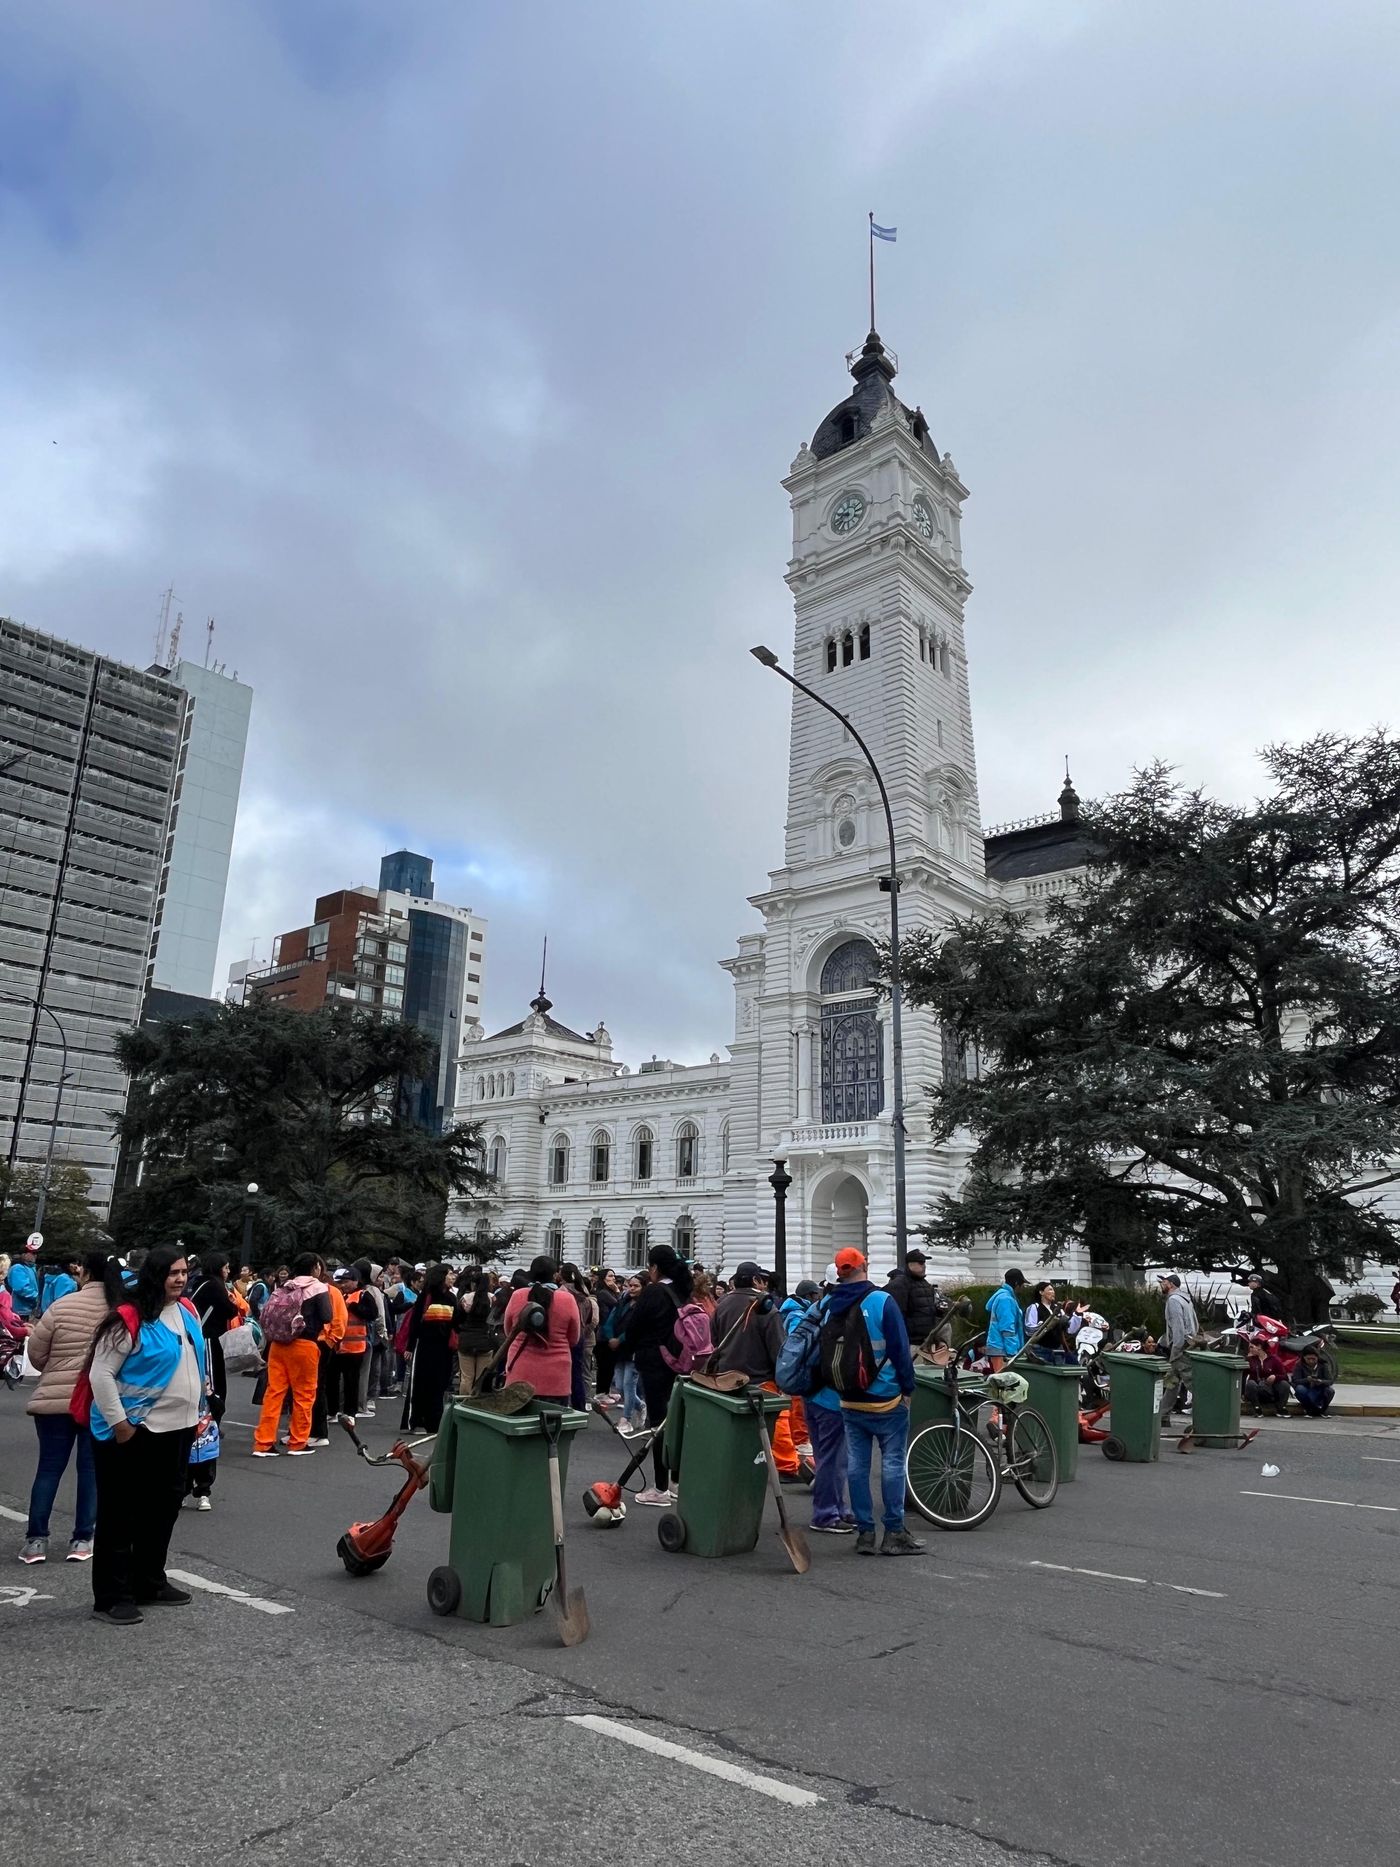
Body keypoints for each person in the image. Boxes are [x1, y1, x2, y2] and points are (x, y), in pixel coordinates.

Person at [88, 1244, 207, 1624]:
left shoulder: (186, 1311)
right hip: (136, 1430)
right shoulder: (128, 1317)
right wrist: (121, 1426)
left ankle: (149, 1581)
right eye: (172, 1273)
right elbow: (100, 1374)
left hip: (179, 1429)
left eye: (184, 1272)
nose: (180, 1279)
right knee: (121, 1515)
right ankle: (112, 1596)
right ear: (154, 1275)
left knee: (163, 1510)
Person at [19, 1250, 125, 1564]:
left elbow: (36, 1355)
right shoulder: (117, 1310)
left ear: (84, 1273)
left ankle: (35, 1540)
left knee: (49, 1469)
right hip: (97, 1401)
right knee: (90, 1471)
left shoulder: (62, 1305)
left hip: (54, 1401)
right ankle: (82, 1539)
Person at [824, 1248, 922, 1555]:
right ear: (864, 1266)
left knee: (857, 1465)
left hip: (849, 1399)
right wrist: (908, 1388)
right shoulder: (882, 1301)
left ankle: (865, 1533)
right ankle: (894, 1531)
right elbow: (900, 1351)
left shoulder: (829, 1305)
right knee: (892, 1463)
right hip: (885, 1398)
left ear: (840, 1272)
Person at [623, 1244, 692, 1506]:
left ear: (654, 1268)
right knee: (674, 1423)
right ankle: (676, 1481)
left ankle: (660, 1487)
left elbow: (634, 1327)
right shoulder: (682, 1291)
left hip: (654, 1362)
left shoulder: (654, 1292)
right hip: (680, 1363)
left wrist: (630, 1347)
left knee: (658, 1424)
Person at [783, 1280, 853, 1534]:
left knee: (829, 1456)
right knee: (833, 1458)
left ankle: (836, 1508)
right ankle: (825, 1514)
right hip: (829, 1396)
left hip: (810, 1393)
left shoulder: (815, 1311)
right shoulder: (839, 1313)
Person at [252, 1254, 332, 1458]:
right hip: (305, 1344)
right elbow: (326, 1316)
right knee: (304, 1394)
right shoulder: (318, 1287)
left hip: (278, 1345)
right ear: (316, 1268)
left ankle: (263, 1443)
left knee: (274, 1393)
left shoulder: (285, 1286)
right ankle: (297, 1442)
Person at [185, 1250, 238, 1509]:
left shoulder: (197, 1283)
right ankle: (210, 1430)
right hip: (207, 1341)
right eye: (227, 1267)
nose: (229, 1271)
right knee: (212, 1394)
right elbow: (231, 1310)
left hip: (195, 1340)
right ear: (219, 1268)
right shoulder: (215, 1286)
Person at [502, 1256, 579, 1405]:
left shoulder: (518, 1296)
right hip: (557, 1374)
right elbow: (574, 1338)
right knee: (553, 1424)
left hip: (520, 1371)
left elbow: (508, 1331)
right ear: (556, 1275)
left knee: (520, 1424)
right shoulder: (567, 1299)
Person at [403, 1263, 457, 1432]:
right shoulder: (426, 1296)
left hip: (444, 1348)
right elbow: (415, 1323)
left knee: (439, 1384)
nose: (453, 1276)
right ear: (441, 1276)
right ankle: (415, 1421)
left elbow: (455, 1324)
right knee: (421, 1383)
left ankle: (434, 1422)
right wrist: (410, 1347)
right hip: (425, 1346)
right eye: (449, 1273)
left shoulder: (451, 1298)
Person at [325, 1261, 376, 1423]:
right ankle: (332, 1411)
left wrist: (355, 1308)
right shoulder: (337, 1295)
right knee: (331, 1380)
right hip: (336, 1345)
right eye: (340, 1282)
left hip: (355, 1347)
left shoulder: (363, 1295)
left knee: (351, 1381)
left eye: (346, 1282)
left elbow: (372, 1314)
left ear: (355, 1281)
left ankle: (350, 1413)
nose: (343, 1285)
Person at [884, 1249, 949, 1351]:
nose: (924, 1266)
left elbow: (928, 1313)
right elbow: (897, 1317)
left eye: (924, 1262)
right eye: (920, 1262)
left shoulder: (925, 1284)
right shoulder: (900, 1285)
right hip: (911, 1344)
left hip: (928, 1343)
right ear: (910, 1264)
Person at [1157, 1274, 1199, 1423]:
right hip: (1189, 1344)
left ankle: (1209, 1413)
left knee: (1192, 1382)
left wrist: (1176, 1349)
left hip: (1181, 1347)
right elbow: (1195, 1322)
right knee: (1171, 1381)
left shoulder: (1174, 1300)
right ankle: (1162, 1416)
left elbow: (1178, 1328)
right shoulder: (1185, 1299)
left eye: (1164, 1282)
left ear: (1172, 1284)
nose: (1162, 1284)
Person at [607, 1273, 645, 1433]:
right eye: (630, 1285)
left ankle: (626, 1419)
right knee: (620, 1386)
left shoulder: (644, 1306)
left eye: (636, 1286)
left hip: (633, 1349)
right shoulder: (623, 1302)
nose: (632, 1289)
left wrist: (619, 1339)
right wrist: (610, 1337)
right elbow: (610, 1320)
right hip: (619, 1350)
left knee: (629, 1384)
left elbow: (637, 1328)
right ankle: (641, 1405)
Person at [454, 1265, 498, 1396]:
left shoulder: (465, 1299)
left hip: (467, 1339)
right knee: (481, 1378)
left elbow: (457, 1319)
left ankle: (463, 1403)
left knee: (466, 1377)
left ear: (473, 1284)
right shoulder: (492, 1299)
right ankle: (477, 1404)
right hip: (485, 1340)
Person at [559, 1263, 597, 1409]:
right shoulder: (584, 1293)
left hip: (565, 1336)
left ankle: (564, 1405)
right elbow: (590, 1318)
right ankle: (579, 1406)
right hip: (580, 1336)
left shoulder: (562, 1292)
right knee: (578, 1373)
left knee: (564, 1373)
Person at [985, 1269, 1026, 1369]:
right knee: (1003, 1381)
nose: (1023, 1287)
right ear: (1016, 1283)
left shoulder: (1004, 1296)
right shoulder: (1006, 1299)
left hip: (998, 1347)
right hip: (1002, 1349)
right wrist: (1012, 1352)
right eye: (1022, 1284)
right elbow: (1007, 1328)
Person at [1244, 1338, 1291, 1417]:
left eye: (1252, 1347)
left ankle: (1281, 1408)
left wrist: (1275, 1377)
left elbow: (1284, 1376)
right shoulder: (1250, 1360)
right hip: (1257, 1389)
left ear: (1259, 1347)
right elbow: (1244, 1375)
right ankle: (1257, 1409)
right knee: (1251, 1383)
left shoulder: (1274, 1359)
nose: (1250, 1349)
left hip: (1270, 1390)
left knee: (1284, 1384)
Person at [594, 1268, 622, 1400]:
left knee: (609, 1365)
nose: (614, 1279)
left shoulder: (606, 1292)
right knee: (605, 1365)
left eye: (614, 1276)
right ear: (603, 1278)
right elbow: (619, 1305)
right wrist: (617, 1291)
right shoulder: (603, 1293)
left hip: (608, 1332)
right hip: (604, 1334)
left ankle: (606, 1391)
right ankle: (601, 1392)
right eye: (610, 1276)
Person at [1291, 1345, 1335, 1418]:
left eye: (1313, 1359)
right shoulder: (1299, 1365)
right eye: (1308, 1359)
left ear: (1317, 1357)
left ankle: (1322, 1410)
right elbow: (1295, 1381)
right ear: (1304, 1357)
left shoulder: (1323, 1365)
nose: (1311, 1361)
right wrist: (1307, 1380)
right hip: (1306, 1389)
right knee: (1299, 1389)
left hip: (1319, 1389)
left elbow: (1330, 1380)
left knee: (1330, 1390)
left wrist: (1321, 1381)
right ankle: (1310, 1409)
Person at [4, 1241, 40, 1323]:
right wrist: (36, 1297)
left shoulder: (30, 1267)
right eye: (32, 1253)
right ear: (23, 1254)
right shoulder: (18, 1268)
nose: (35, 1255)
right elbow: (22, 1289)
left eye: (36, 1253)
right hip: (18, 1310)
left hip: (26, 1309)